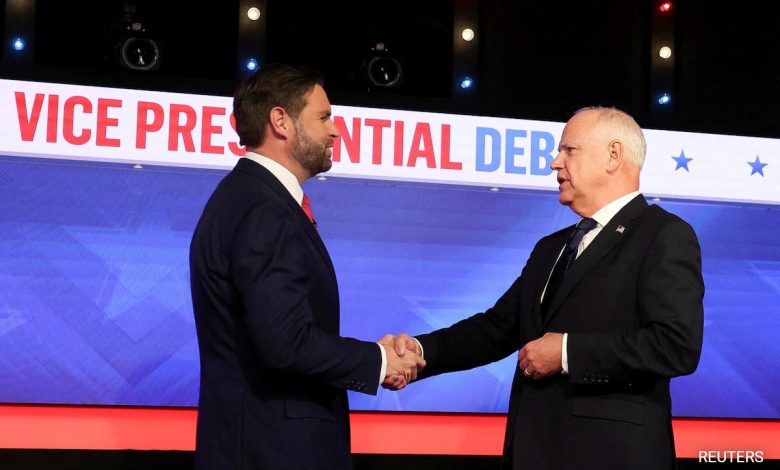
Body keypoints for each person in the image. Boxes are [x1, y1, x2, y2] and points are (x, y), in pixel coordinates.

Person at [390, 107, 704, 469]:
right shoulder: (550, 248)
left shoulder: (663, 235)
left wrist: (567, 352)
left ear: (613, 155)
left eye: (569, 150)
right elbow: (497, 328)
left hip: (610, 456)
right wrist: (418, 350)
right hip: (532, 453)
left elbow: (676, 346)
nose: (556, 163)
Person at [189, 63, 424, 470]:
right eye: (323, 117)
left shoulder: (245, 197)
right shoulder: (264, 209)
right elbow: (285, 343)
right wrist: (379, 361)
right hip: (273, 451)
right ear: (280, 121)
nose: (335, 131)